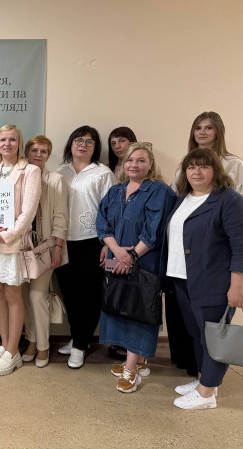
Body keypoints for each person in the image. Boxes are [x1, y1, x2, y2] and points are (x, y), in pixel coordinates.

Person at [165, 148, 243, 410]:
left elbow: (240, 245)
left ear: (215, 170)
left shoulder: (228, 200)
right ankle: (203, 379)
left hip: (213, 281)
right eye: (191, 167)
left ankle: (207, 393)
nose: (196, 172)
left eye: (203, 166)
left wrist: (237, 284)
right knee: (197, 333)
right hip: (182, 278)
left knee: (213, 336)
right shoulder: (183, 199)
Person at [96, 143, 176, 393]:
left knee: (139, 311)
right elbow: (102, 225)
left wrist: (130, 256)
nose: (134, 164)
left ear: (150, 165)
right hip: (116, 257)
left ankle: (131, 370)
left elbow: (153, 232)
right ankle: (138, 361)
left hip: (144, 261)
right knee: (120, 307)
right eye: (130, 160)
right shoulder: (116, 190)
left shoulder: (159, 190)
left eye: (141, 160)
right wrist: (116, 251)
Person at [0, 124, 41, 376]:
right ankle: (5, 346)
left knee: (13, 295)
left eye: (12, 140)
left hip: (12, 242)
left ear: (19, 143)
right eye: (3, 139)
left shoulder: (30, 171)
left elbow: (28, 212)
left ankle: (14, 352)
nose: (7, 144)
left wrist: (6, 234)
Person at [54, 126, 116, 368]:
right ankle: (78, 337)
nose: (83, 145)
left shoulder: (103, 173)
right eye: (79, 140)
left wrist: (107, 242)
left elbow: (112, 210)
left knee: (89, 295)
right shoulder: (60, 172)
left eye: (89, 142)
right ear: (70, 144)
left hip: (93, 241)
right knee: (69, 293)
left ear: (95, 148)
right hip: (62, 241)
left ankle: (80, 346)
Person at [21, 135, 69, 368]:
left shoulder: (56, 180)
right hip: (20, 247)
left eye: (43, 151)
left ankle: (43, 346)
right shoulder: (19, 177)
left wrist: (58, 247)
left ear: (48, 155)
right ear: (27, 153)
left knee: (37, 296)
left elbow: (61, 216)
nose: (38, 155)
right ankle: (31, 341)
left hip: (46, 247)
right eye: (34, 150)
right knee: (23, 297)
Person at [106, 126, 137, 361]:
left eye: (122, 141)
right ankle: (117, 341)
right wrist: (108, 244)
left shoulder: (147, 171)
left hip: (136, 243)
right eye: (113, 142)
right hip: (112, 240)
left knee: (134, 294)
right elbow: (106, 212)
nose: (118, 146)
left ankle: (133, 347)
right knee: (115, 290)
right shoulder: (109, 171)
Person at [171, 112, 243, 195]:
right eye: (198, 128)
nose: (202, 132)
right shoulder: (186, 163)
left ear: (218, 131)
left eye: (209, 128)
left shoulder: (235, 164)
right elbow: (176, 193)